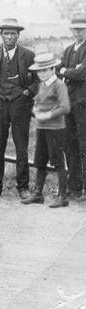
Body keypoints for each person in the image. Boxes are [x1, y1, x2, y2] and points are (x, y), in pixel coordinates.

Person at [0, 18, 38, 200]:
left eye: (13, 33)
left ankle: (23, 188)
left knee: (21, 147)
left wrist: (28, 92)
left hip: (20, 106)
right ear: (1, 35)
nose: (9, 37)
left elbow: (37, 80)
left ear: (18, 35)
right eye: (6, 33)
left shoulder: (28, 55)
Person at [22, 53, 71, 208]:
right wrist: (36, 110)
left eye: (45, 70)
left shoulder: (59, 85)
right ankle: (37, 194)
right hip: (41, 128)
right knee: (40, 161)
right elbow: (37, 99)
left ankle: (62, 196)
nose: (41, 73)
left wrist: (48, 115)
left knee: (58, 162)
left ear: (52, 69)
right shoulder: (43, 84)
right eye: (39, 71)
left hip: (55, 129)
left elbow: (65, 107)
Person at [58, 11, 86, 199]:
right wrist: (69, 70)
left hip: (83, 104)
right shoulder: (68, 50)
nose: (78, 32)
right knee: (70, 145)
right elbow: (59, 70)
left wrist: (66, 71)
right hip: (69, 103)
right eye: (75, 29)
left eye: (81, 29)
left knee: (84, 145)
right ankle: (74, 186)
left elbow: (81, 74)